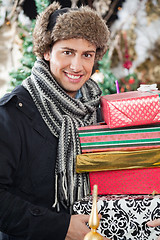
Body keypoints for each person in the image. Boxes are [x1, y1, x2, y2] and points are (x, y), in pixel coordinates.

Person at [0, 2, 110, 240]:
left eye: (87, 55)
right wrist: (60, 227)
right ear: (47, 51)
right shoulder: (12, 113)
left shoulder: (101, 110)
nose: (77, 66)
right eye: (67, 52)